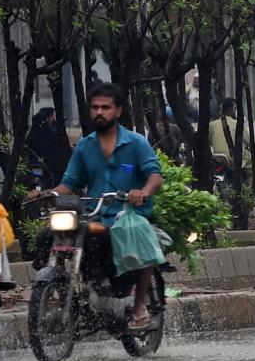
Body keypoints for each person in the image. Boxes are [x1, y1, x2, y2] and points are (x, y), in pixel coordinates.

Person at [31, 82, 164, 329]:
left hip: (128, 214)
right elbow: (69, 182)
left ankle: (138, 305)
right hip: (95, 214)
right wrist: (47, 193)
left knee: (135, 238)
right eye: (95, 108)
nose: (99, 112)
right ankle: (61, 287)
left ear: (118, 111)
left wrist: (142, 192)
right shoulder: (85, 145)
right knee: (47, 237)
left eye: (106, 107)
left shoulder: (136, 143)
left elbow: (155, 175)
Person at [25, 107, 69, 184]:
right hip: (51, 168)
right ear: (50, 118)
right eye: (54, 116)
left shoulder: (33, 131)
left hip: (34, 163)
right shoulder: (53, 132)